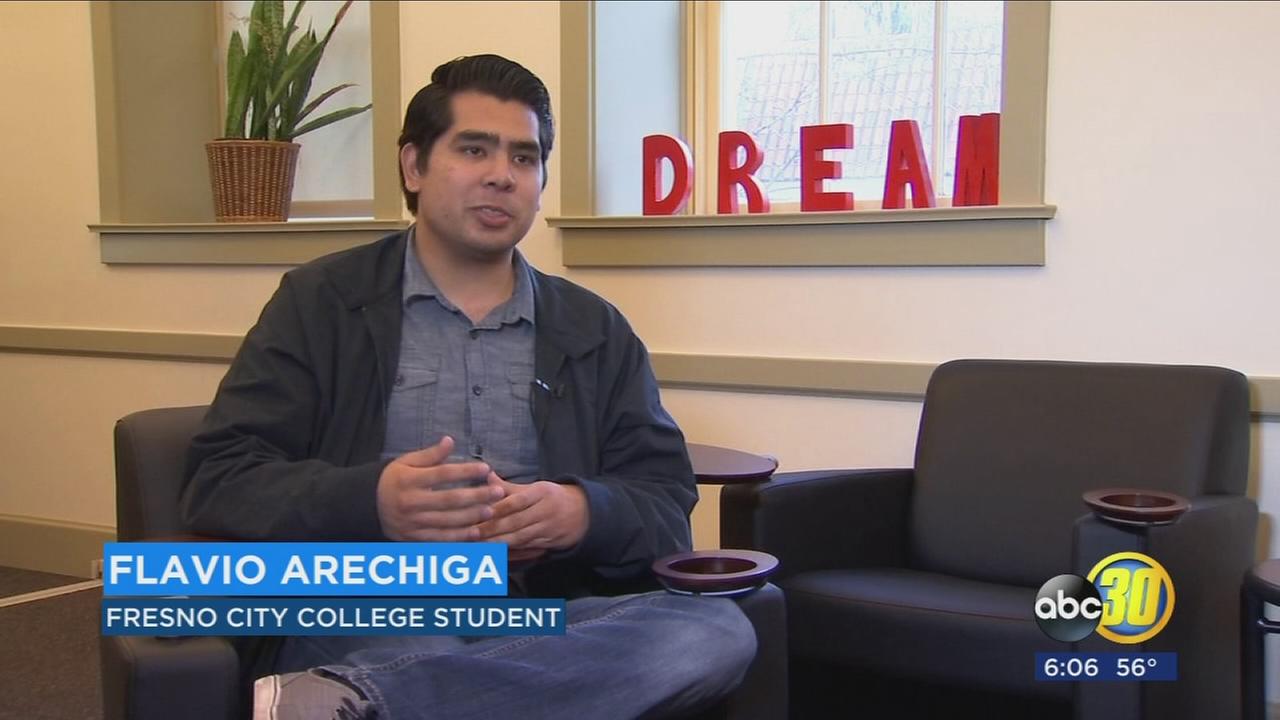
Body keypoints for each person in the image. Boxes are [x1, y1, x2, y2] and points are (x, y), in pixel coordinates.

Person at [181, 53, 756, 720]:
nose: (501, 175)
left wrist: (582, 512)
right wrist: (373, 501)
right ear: (414, 166)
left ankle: (371, 699)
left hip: (542, 612)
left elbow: (664, 502)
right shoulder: (321, 302)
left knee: (715, 630)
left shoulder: (595, 328)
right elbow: (220, 478)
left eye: (524, 157)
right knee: (418, 644)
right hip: (375, 603)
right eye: (474, 150)